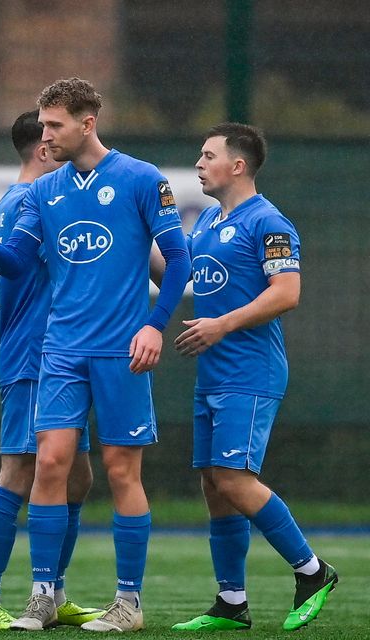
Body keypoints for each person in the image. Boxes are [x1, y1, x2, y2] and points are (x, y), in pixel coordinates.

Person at [0, 77, 191, 632]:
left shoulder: (142, 179)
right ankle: (42, 595)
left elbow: (179, 261)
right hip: (60, 351)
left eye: (54, 124)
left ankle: (128, 604)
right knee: (49, 464)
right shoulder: (42, 192)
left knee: (122, 471)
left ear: (87, 123)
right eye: (43, 124)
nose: (45, 134)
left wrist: (154, 326)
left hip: (121, 350)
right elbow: (16, 264)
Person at [163, 123, 336, 632]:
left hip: (250, 373)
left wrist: (223, 324)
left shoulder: (269, 221)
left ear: (237, 166)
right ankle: (232, 602)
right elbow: (175, 274)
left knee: (236, 480)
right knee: (215, 485)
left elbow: (287, 293)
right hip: (214, 374)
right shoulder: (210, 224)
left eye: (207, 154)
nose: (199, 163)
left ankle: (313, 571)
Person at [0, 110, 102, 630]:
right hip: (35, 355)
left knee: (77, 477)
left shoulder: (17, 200)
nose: (60, 147)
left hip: (57, 355)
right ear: (43, 151)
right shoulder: (32, 200)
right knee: (19, 471)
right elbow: (20, 264)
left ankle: (55, 590)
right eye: (53, 139)